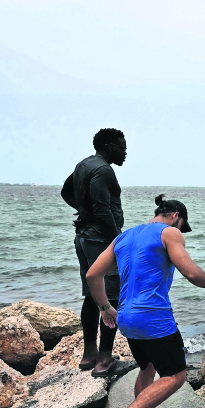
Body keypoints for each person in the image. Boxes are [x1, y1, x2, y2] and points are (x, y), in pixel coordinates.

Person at [85, 195, 205, 408]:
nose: (180, 232)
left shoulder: (123, 237)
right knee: (176, 376)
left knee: (147, 368)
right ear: (175, 216)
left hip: (126, 317)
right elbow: (192, 273)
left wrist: (105, 308)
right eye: (182, 226)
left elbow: (92, 274)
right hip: (153, 317)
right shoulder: (169, 232)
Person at [61, 128, 126, 376]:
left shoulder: (84, 165)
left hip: (84, 238)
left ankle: (89, 354)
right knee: (111, 296)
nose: (125, 153)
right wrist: (118, 242)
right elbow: (102, 210)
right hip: (100, 240)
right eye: (122, 148)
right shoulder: (103, 170)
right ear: (109, 147)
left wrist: (82, 211)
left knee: (91, 294)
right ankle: (104, 359)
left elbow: (66, 191)